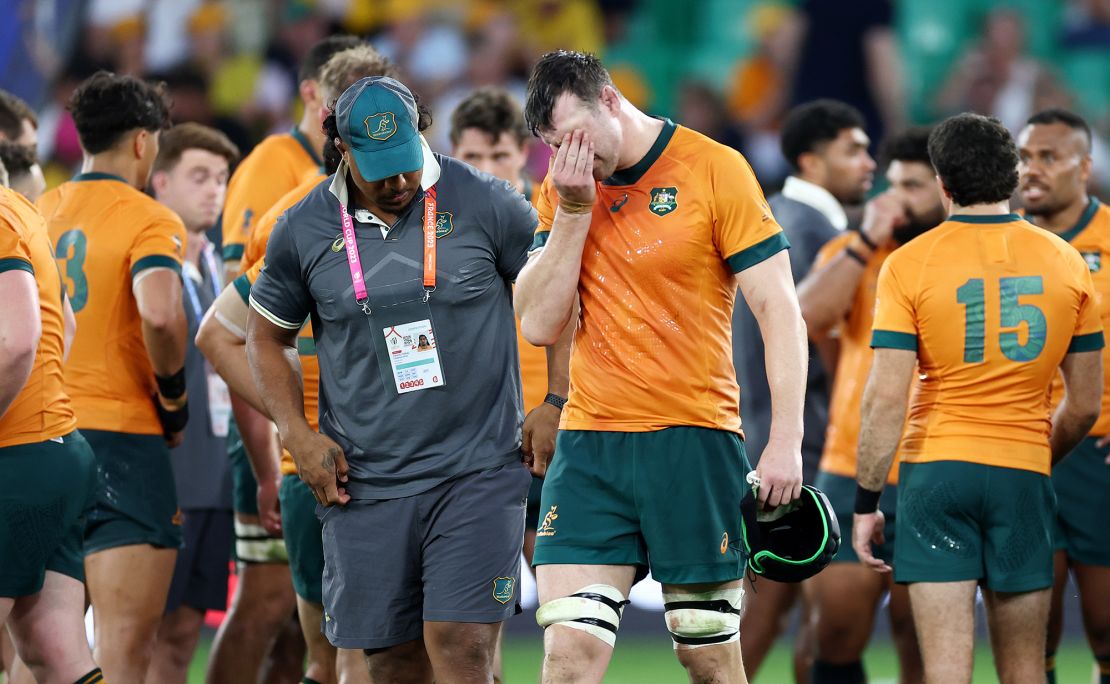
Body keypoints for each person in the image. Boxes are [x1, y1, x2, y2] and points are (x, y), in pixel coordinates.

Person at [516, 50, 806, 683]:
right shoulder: (564, 189)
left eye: (576, 140)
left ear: (611, 101)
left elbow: (778, 309)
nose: (570, 160)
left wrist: (785, 440)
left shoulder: (714, 168)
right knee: (568, 655)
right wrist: (571, 211)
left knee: (706, 657)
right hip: (591, 445)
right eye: (554, 148)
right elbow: (539, 323)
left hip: (694, 438)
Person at [246, 75, 542, 683]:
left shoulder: (490, 202)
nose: (400, 181)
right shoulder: (301, 228)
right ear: (342, 152)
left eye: (408, 163)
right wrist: (296, 435)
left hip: (478, 470)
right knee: (392, 666)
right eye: (380, 169)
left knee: (462, 647)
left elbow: (557, 302)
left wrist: (560, 397)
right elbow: (263, 336)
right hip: (366, 481)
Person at [853, 113, 1104, 684]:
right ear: (1013, 177)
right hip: (1021, 472)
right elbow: (1086, 403)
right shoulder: (1066, 260)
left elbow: (885, 400)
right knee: (1025, 670)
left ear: (943, 184)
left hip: (936, 475)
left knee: (945, 673)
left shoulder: (909, 264)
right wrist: (1036, 455)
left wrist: (867, 501)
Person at [198, 44, 397, 684]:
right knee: (294, 622)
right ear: (329, 123)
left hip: (409, 463)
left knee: (411, 647)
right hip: (322, 461)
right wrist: (291, 424)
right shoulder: (294, 206)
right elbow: (230, 332)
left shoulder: (439, 207)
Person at [37, 71, 189, 683]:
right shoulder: (149, 217)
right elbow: (159, 310)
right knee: (124, 653)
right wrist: (173, 397)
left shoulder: (34, 212)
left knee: (39, 652)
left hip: (40, 439)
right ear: (143, 142)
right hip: (123, 440)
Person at [732, 98, 874, 681]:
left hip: (771, 429)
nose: (869, 163)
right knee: (776, 600)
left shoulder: (781, 214)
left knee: (786, 600)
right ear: (811, 161)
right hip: (799, 440)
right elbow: (821, 336)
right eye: (854, 149)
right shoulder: (809, 227)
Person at [796, 128, 942, 684]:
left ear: (946, 190)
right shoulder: (855, 250)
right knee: (834, 626)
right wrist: (864, 241)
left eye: (916, 185)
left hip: (933, 464)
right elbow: (805, 319)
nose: (900, 197)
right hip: (850, 462)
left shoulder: (954, 257)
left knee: (921, 637)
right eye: (895, 183)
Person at [448, 85, 568, 684]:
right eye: (474, 158)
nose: (488, 170)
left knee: (564, 602)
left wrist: (556, 400)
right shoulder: (442, 234)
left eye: (498, 157)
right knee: (479, 610)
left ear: (522, 154)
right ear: (451, 155)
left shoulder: (550, 224)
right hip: (477, 434)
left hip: (553, 428)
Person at [1017, 108, 1110, 684]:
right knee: (1031, 624)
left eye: (1049, 157)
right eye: (1025, 157)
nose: (1033, 169)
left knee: (1104, 625)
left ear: (1085, 166)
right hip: (1023, 454)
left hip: (1098, 455)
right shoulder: (1000, 242)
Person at [145, 123, 239, 684]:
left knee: (181, 636)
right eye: (199, 176)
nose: (214, 190)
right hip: (164, 479)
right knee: (137, 634)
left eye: (222, 178)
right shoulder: (152, 262)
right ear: (160, 181)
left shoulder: (208, 265)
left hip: (212, 479)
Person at [0, 166, 100, 684]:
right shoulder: (21, 210)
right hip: (55, 447)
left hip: (15, 456)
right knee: (55, 652)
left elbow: (18, 341)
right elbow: (66, 324)